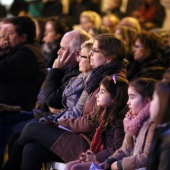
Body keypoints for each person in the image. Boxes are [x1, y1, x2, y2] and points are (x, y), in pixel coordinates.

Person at [3, 33, 127, 170]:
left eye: (95, 50)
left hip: (91, 146)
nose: (90, 54)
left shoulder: (112, 83)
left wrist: (61, 123)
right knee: (31, 149)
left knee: (31, 128)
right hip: (82, 135)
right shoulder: (99, 77)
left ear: (109, 58)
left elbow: (92, 121)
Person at [0, 16, 47, 169]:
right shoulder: (21, 50)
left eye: (11, 33)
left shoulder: (26, 54)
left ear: (23, 37)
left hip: (17, 107)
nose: (7, 37)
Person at [65, 75, 129, 170]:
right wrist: (91, 155)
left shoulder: (118, 120)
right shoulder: (104, 114)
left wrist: (96, 157)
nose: (96, 95)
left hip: (111, 161)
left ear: (115, 97)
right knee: (69, 165)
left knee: (75, 168)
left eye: (102, 92)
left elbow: (118, 148)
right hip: (102, 156)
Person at [98, 78, 156, 170]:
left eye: (132, 97)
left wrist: (119, 165)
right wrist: (109, 162)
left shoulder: (153, 124)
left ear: (147, 101)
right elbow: (125, 150)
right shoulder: (133, 121)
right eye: (128, 98)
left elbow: (146, 158)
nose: (128, 102)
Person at [147, 81, 170, 170]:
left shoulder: (167, 141)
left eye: (154, 98)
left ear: (163, 102)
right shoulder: (161, 132)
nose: (150, 103)